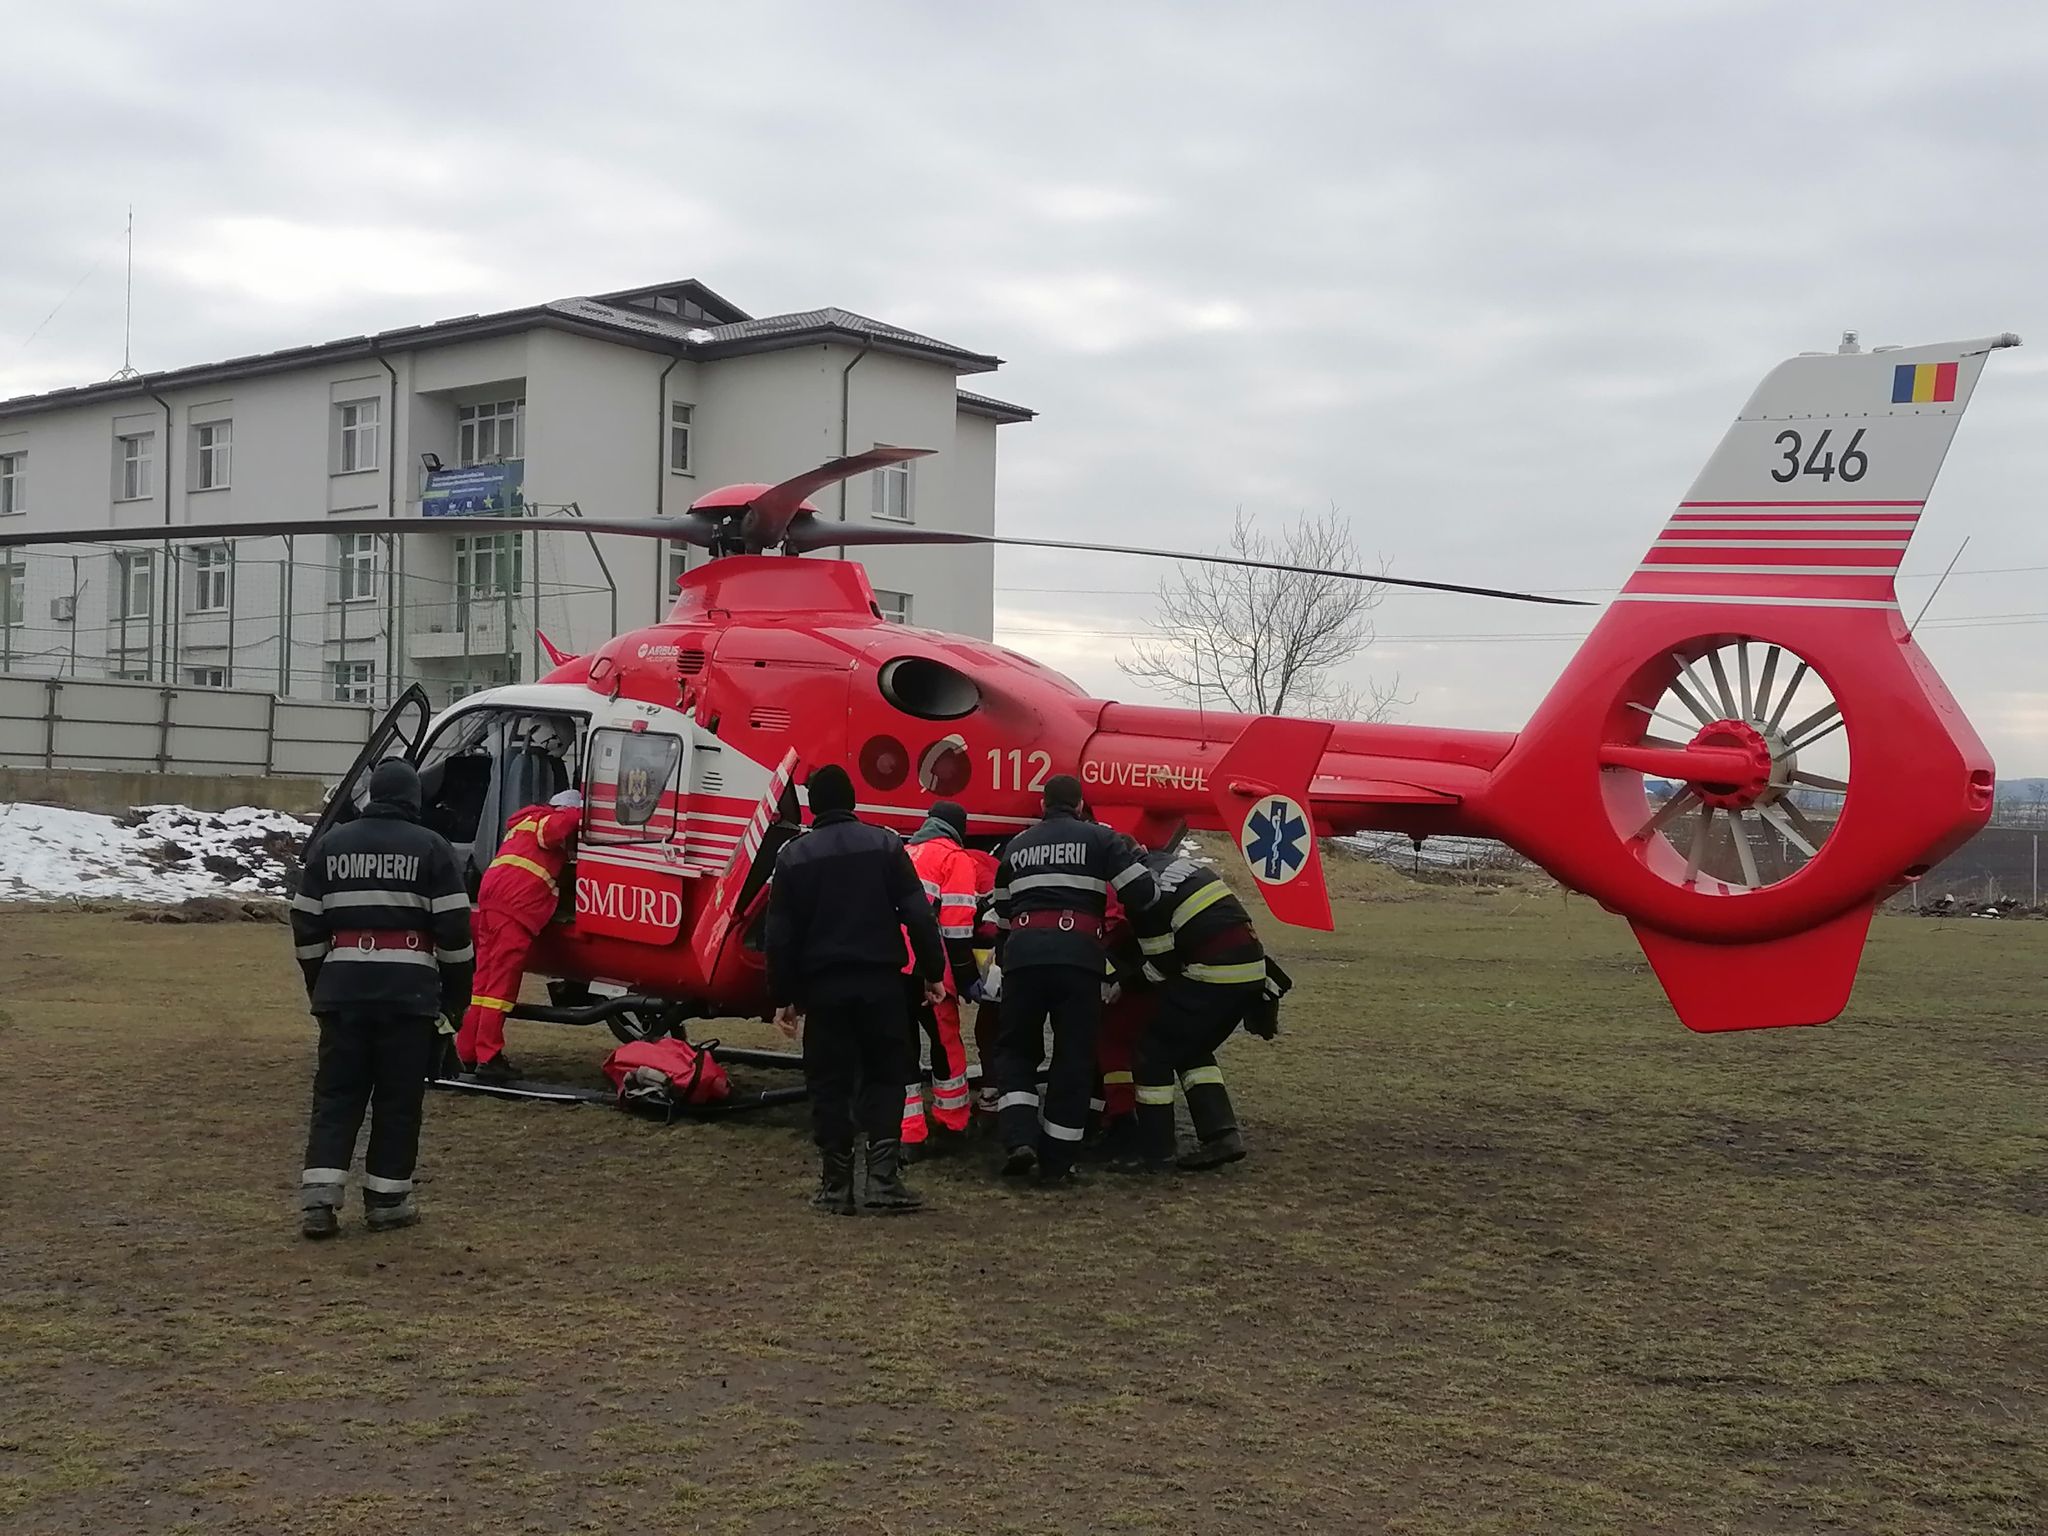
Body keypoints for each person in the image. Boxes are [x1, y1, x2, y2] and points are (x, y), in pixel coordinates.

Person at [291, 760, 474, 1239]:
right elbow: (455, 934)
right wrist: (455, 1001)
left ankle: (319, 1202)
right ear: (414, 799)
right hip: (408, 998)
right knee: (398, 1101)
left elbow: (306, 923)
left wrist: (322, 985)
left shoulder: (330, 844)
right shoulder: (432, 847)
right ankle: (387, 1203)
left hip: (342, 995)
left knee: (336, 1097)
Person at [766, 765, 947, 1215]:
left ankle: (835, 1187)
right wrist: (932, 971)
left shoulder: (792, 857)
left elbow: (780, 935)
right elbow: (919, 915)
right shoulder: (886, 845)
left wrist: (783, 996)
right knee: (886, 1076)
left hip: (824, 989)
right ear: (852, 801)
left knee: (829, 1083)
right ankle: (883, 1181)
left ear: (814, 806)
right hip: (881, 983)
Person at [989, 776, 1156, 1183]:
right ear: (1080, 805)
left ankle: (1020, 1139)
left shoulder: (1016, 846)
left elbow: (1002, 914)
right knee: (1074, 1056)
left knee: (1016, 1051)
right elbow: (1143, 894)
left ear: (1043, 805)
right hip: (1078, 958)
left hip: (1023, 957)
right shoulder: (1101, 839)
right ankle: (1058, 1161)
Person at [1123, 849, 1288, 1174]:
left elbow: (1162, 966)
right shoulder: (1174, 867)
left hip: (1214, 973)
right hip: (1252, 970)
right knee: (1191, 1046)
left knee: (1152, 1051)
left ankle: (1156, 1152)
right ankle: (1222, 1135)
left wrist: (1122, 984)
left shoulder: (1142, 890)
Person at [455, 787, 584, 1081]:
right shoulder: (548, 821)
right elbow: (557, 829)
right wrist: (583, 812)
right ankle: (489, 1056)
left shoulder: (523, 824)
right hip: (516, 907)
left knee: (483, 983)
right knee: (501, 986)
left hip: (492, 902)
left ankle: (467, 1052)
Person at [898, 800, 981, 1155]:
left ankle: (909, 1132)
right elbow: (956, 927)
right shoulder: (955, 858)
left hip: (892, 964)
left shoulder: (905, 852)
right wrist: (967, 977)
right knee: (945, 1043)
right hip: (931, 968)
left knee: (901, 1047)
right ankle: (953, 1121)